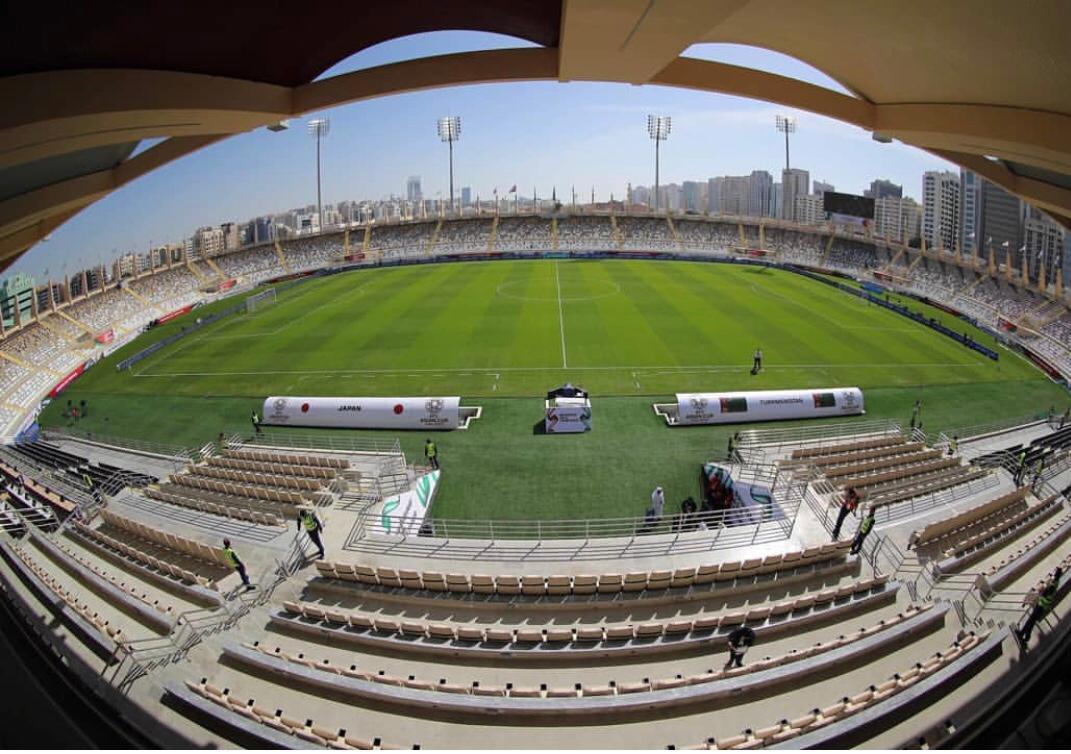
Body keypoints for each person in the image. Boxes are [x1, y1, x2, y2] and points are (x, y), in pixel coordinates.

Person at [1017, 568, 1062, 644]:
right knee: (1031, 621)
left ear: (1056, 574)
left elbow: (1045, 594)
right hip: (1042, 605)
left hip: (1041, 606)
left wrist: (1042, 590)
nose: (1053, 572)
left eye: (1055, 571)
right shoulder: (1055, 582)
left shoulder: (1053, 584)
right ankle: (1024, 635)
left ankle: (1023, 634)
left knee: (1031, 620)